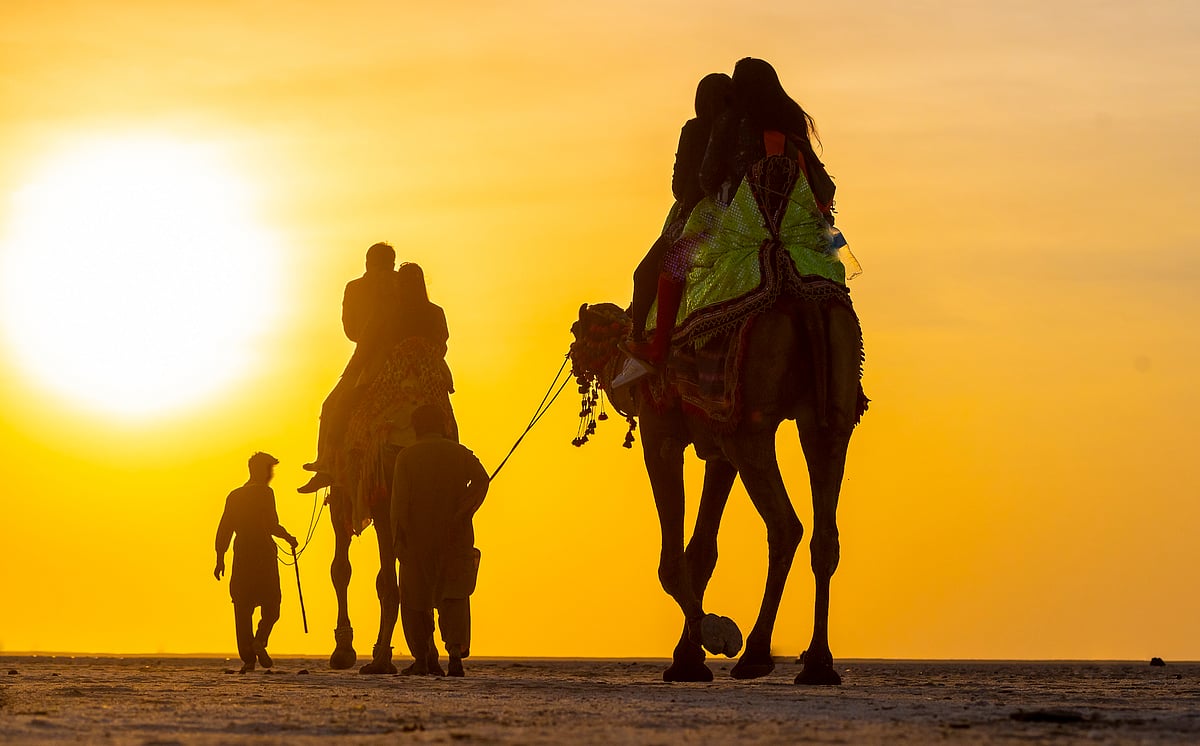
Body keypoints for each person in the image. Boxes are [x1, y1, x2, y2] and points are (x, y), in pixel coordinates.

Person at [626, 58, 841, 369]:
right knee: (833, 260)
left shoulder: (733, 122)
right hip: (794, 220)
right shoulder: (791, 122)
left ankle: (658, 344)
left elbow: (707, 177)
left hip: (737, 217)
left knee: (673, 263)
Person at [390, 404, 488, 677]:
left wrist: (400, 539)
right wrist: (464, 509)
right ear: (442, 425)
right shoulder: (460, 453)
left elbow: (399, 504)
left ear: (415, 427)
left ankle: (422, 659)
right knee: (454, 595)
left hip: (417, 539)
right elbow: (482, 480)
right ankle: (455, 653)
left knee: (414, 600)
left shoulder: (406, 457)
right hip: (455, 537)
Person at [299, 242, 397, 493]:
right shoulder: (404, 285)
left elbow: (351, 331)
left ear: (368, 262)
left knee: (332, 406)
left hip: (368, 358)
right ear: (392, 262)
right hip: (410, 358)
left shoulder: (356, 287)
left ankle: (327, 465)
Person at [214, 452, 298, 673]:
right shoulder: (265, 493)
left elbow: (225, 528)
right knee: (272, 606)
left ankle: (249, 658)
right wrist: (288, 537)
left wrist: (220, 557)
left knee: (242, 609)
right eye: (269, 470)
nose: (271, 475)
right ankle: (260, 640)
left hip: (242, 555)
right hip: (263, 554)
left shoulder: (234, 496)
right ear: (259, 470)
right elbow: (272, 525)